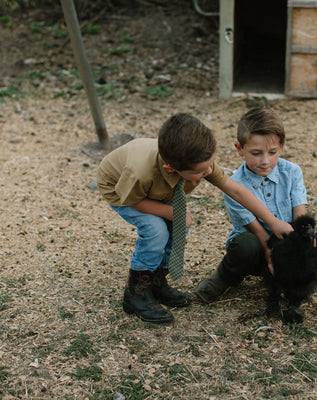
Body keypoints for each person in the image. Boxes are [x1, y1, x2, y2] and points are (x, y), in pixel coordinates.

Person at [96, 113, 293, 324]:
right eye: (201, 171)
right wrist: (171, 212)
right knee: (156, 231)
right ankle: (136, 293)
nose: (208, 171)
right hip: (124, 191)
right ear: (171, 168)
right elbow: (134, 201)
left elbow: (236, 191)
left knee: (178, 227)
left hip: (159, 191)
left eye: (210, 165)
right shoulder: (139, 172)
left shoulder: (198, 159)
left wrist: (273, 222)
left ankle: (157, 282)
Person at [194, 107, 317, 304]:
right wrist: (270, 258)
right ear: (239, 149)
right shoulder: (234, 184)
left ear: (282, 146)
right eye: (256, 153)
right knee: (244, 247)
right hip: (258, 247)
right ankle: (226, 276)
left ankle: (311, 271)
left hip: (289, 244)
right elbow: (259, 233)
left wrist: (303, 248)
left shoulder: (292, 172)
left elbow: (300, 215)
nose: (265, 161)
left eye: (272, 152)